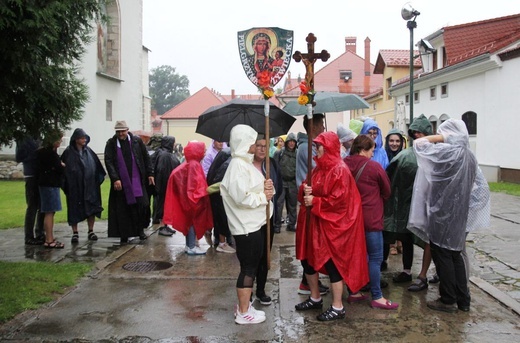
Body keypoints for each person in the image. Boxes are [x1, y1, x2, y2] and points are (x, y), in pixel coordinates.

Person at [407, 119, 482, 313]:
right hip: (460, 214)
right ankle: (463, 300)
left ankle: (448, 299)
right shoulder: (470, 156)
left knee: (443, 256)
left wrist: (444, 137)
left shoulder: (446, 153)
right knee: (456, 254)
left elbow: (419, 144)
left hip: (441, 213)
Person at [294, 131, 369, 321]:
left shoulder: (340, 170)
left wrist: (315, 201)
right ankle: (315, 297)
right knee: (308, 261)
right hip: (315, 226)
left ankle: (337, 306)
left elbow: (340, 201)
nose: (316, 149)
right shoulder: (319, 168)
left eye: (319, 146)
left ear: (327, 148)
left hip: (331, 228)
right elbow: (305, 186)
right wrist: (305, 190)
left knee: (333, 265)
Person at [220, 124, 274, 324]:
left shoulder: (244, 164)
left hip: (253, 225)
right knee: (248, 269)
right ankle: (243, 311)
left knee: (250, 266)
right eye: (251, 142)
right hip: (246, 228)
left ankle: (245, 306)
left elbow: (253, 189)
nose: (255, 146)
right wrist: (263, 196)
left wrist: (266, 188)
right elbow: (241, 197)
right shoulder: (237, 166)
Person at [344, 135, 398, 310]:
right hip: (371, 219)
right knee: (374, 258)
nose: (373, 154)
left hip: (349, 219)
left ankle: (353, 292)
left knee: (353, 257)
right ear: (363, 150)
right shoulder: (374, 167)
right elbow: (387, 190)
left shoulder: (343, 164)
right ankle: (377, 296)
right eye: (372, 151)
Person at [383, 114, 434, 292]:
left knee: (420, 239)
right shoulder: (404, 157)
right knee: (403, 237)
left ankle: (416, 273)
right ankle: (402, 269)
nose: (418, 136)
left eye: (420, 133)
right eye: (415, 133)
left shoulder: (435, 156)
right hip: (403, 205)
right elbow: (388, 180)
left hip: (425, 205)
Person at [295, 113, 330, 296]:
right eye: (321, 125)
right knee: (309, 243)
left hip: (309, 198)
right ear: (313, 127)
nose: (323, 128)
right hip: (308, 199)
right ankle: (307, 282)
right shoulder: (308, 148)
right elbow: (316, 172)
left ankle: (308, 280)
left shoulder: (310, 146)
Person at [104, 121, 154, 244]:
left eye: (123, 131)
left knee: (142, 206)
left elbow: (146, 157)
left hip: (137, 180)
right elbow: (108, 161)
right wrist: (115, 178)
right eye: (118, 131)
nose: (121, 134)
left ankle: (140, 230)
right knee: (123, 210)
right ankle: (124, 234)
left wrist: (150, 173)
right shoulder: (111, 143)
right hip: (121, 183)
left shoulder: (137, 142)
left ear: (127, 130)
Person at [163, 141, 213, 255]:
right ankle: (191, 247)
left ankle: (189, 245)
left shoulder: (190, 163)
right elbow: (195, 185)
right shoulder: (194, 165)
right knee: (192, 223)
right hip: (193, 202)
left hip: (187, 200)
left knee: (189, 223)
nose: (204, 152)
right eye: (202, 150)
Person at [252, 135, 283, 306]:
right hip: (250, 217)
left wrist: (273, 191)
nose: (262, 149)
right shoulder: (246, 165)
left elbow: (279, 187)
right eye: (258, 145)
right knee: (252, 255)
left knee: (265, 254)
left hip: (267, 215)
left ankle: (261, 289)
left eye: (265, 145)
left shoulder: (271, 164)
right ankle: (247, 289)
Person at [61, 128, 106, 243]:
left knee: (91, 207)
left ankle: (91, 230)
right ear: (76, 139)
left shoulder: (89, 151)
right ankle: (75, 232)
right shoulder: (68, 152)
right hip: (75, 187)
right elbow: (63, 170)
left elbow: (97, 167)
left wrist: (95, 181)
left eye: (85, 138)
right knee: (74, 208)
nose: (84, 140)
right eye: (82, 138)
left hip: (90, 186)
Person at [36, 129, 66, 249]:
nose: (60, 141)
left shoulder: (41, 152)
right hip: (50, 185)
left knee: (50, 211)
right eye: (59, 139)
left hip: (45, 184)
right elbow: (59, 168)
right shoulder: (50, 154)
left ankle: (49, 237)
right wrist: (61, 165)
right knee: (49, 211)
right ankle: (49, 239)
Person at [16, 134, 45, 245]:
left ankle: (40, 233)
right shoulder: (23, 139)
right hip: (31, 175)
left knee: (42, 206)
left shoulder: (39, 137)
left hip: (41, 175)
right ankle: (28, 236)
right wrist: (36, 153)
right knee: (32, 206)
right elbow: (19, 157)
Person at [206, 147, 236, 253]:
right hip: (220, 194)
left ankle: (214, 235)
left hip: (215, 192)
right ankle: (222, 243)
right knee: (222, 217)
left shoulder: (225, 153)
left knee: (218, 217)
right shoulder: (230, 159)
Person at [383, 129, 406, 259]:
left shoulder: (404, 155)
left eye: (397, 141)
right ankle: (392, 245)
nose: (394, 144)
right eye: (391, 140)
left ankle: (399, 242)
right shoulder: (384, 155)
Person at [153, 136, 181, 237]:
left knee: (166, 205)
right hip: (164, 186)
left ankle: (165, 225)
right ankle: (162, 226)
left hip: (167, 185)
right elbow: (161, 171)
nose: (174, 145)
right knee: (162, 205)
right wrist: (159, 187)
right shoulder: (164, 155)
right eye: (173, 142)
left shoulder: (166, 154)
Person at [274, 133, 297, 233]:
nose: (291, 143)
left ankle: (291, 224)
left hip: (292, 183)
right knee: (279, 204)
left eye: (293, 141)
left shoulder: (297, 154)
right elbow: (274, 167)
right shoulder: (280, 153)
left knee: (292, 205)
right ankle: (277, 225)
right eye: (290, 141)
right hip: (281, 182)